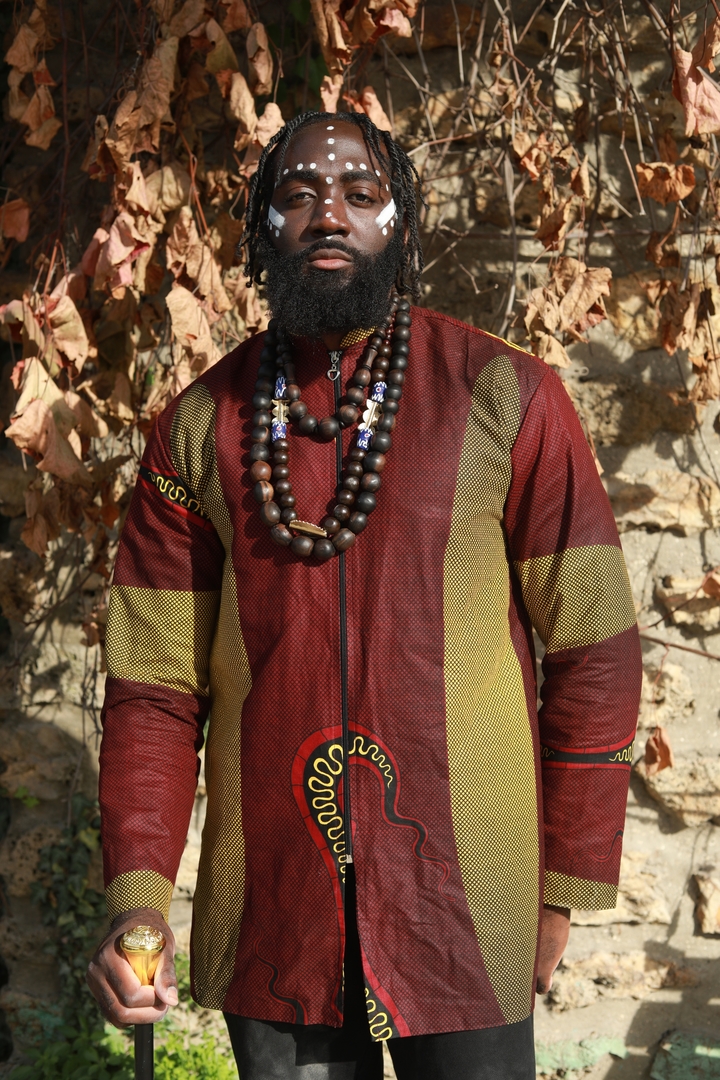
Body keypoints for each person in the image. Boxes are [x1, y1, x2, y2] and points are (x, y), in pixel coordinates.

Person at [87, 112, 642, 1080]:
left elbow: (595, 645)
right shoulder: (197, 427)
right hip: (276, 902)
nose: (329, 215)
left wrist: (560, 887)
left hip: (465, 895)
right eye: (298, 195)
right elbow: (153, 691)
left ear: (402, 221)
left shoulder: (507, 396)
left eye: (360, 194)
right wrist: (138, 900)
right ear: (262, 227)